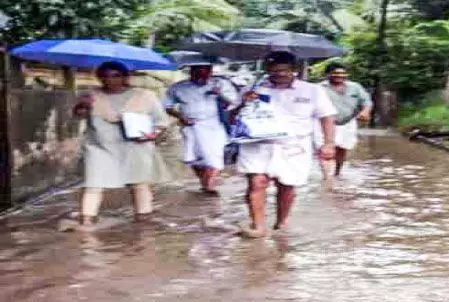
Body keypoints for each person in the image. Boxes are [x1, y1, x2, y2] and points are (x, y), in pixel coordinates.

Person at [232, 51, 337, 238]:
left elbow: (327, 116)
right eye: (273, 71)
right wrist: (243, 103)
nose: (279, 75)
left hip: (294, 145)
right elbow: (232, 117)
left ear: (294, 70)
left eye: (284, 70)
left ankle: (281, 223)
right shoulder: (253, 88)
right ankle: (258, 226)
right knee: (257, 182)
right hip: (258, 144)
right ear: (266, 70)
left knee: (287, 186)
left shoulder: (312, 90)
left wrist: (328, 143)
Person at [69, 61, 169, 230]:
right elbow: (78, 115)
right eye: (105, 76)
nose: (110, 80)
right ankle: (86, 222)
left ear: (125, 77)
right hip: (100, 147)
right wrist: (83, 105)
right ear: (99, 78)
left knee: (139, 184)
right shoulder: (91, 96)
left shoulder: (144, 96)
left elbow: (161, 122)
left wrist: (153, 134)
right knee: (93, 184)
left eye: (115, 75)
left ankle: (143, 221)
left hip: (136, 146)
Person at [164, 63, 239, 194]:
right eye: (198, 73)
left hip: (214, 126)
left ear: (211, 71)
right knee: (194, 159)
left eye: (205, 73)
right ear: (191, 72)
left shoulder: (220, 83)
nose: (202, 77)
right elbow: (167, 106)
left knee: (215, 158)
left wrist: (219, 94)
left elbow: (234, 103)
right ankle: (205, 184)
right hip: (191, 127)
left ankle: (208, 188)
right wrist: (180, 116)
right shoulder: (179, 87)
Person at [318, 62, 372, 176]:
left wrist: (365, 111)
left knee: (342, 148)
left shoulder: (355, 87)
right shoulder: (319, 88)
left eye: (343, 74)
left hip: (348, 122)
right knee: (325, 148)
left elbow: (366, 101)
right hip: (325, 123)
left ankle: (337, 173)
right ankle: (326, 175)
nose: (340, 76)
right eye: (336, 73)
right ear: (328, 74)